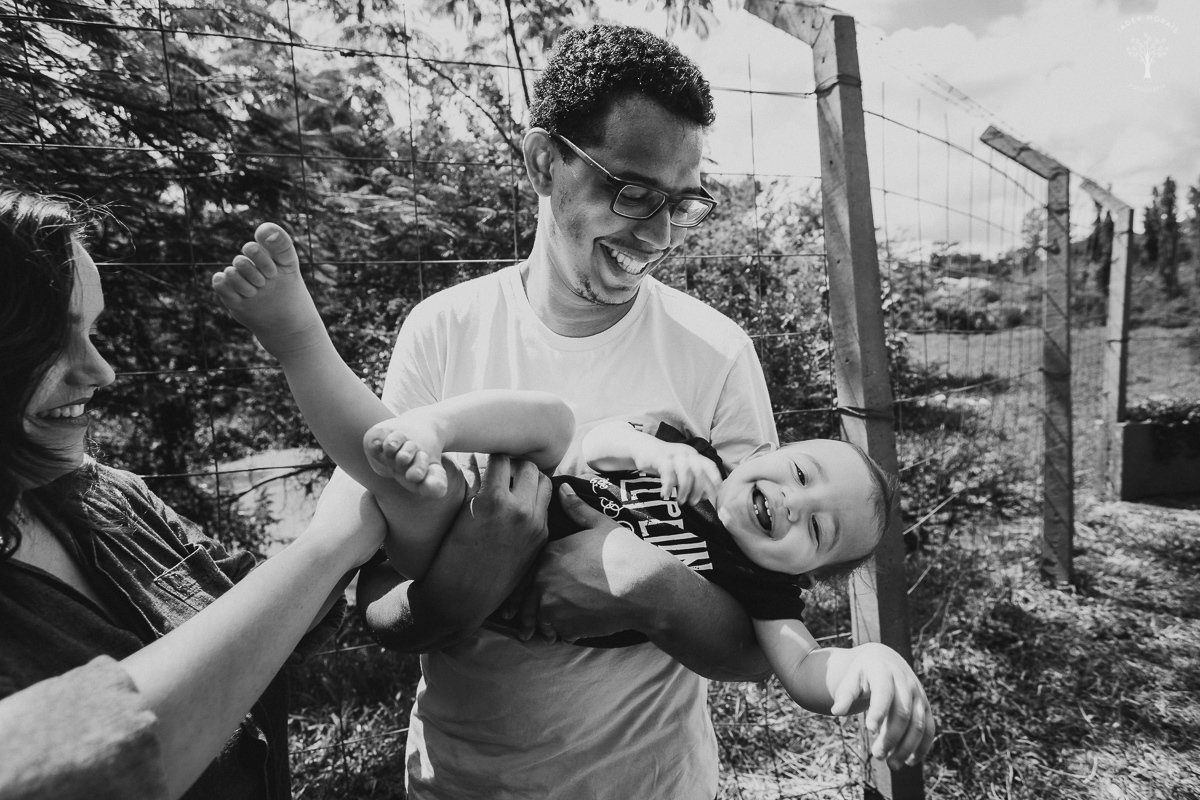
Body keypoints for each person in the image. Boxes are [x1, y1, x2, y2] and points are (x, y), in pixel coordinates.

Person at [209, 232, 936, 765]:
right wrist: (654, 449)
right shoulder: (702, 460)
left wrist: (872, 663)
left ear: (805, 572)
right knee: (511, 441)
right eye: (803, 475)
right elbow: (594, 444)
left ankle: (304, 346)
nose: (793, 503)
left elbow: (803, 668)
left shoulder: (762, 587)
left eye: (817, 531)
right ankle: (400, 405)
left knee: (412, 492)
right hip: (505, 506)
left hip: (530, 622)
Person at [0, 188, 433, 800]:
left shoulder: (110, 499)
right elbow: (76, 767)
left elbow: (267, 617)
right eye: (51, 340)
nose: (100, 371)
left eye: (93, 332)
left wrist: (302, 341)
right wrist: (333, 542)